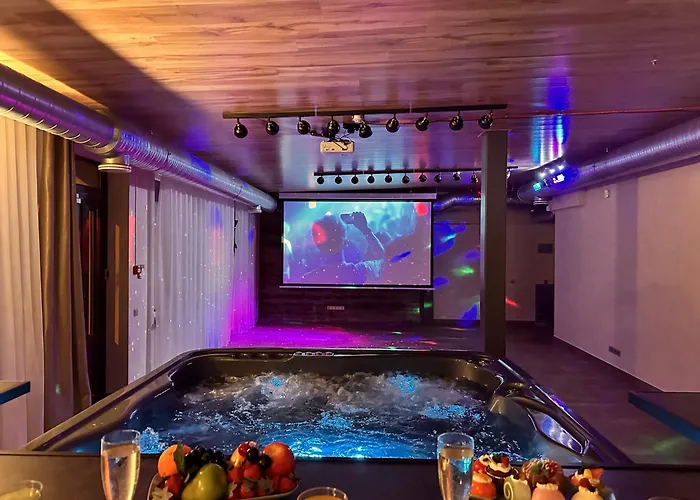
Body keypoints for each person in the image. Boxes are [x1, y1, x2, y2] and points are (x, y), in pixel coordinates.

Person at [301, 212, 384, 284]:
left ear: (317, 244)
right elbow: (385, 261)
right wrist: (365, 230)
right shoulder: (360, 271)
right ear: (345, 241)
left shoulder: (308, 279)